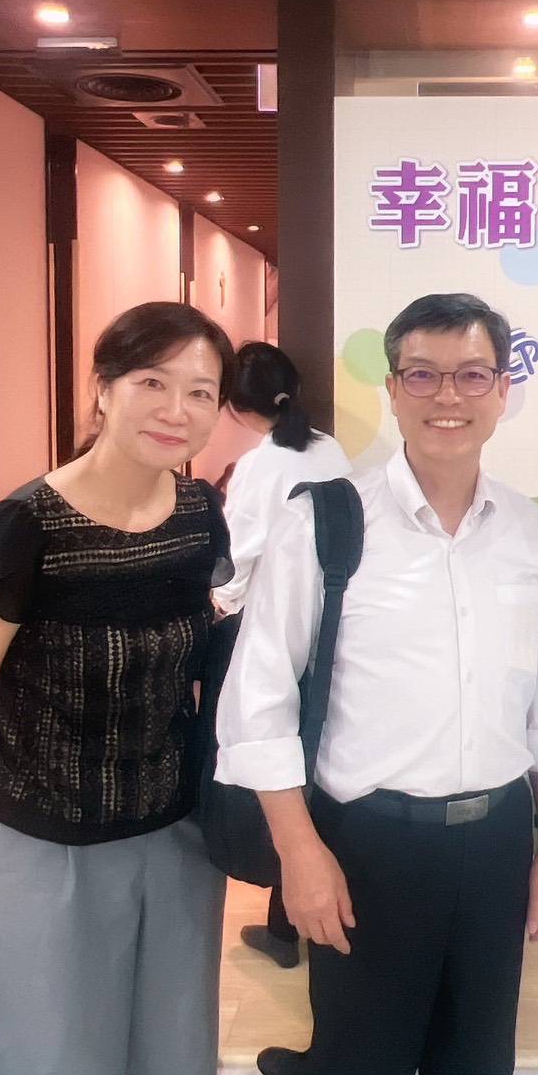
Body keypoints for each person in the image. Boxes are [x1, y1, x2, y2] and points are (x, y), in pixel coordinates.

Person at [216, 292, 538, 1075]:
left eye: (472, 374)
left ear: (503, 390)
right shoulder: (326, 519)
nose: (446, 395)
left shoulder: (530, 534)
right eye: (422, 374)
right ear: (392, 388)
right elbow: (257, 698)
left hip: (496, 842)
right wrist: (299, 851)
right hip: (367, 846)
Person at [0, 301, 237, 1075]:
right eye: (152, 382)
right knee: (46, 1057)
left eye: (200, 391)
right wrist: (20, 791)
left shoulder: (199, 513)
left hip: (174, 830)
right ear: (102, 387)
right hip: (43, 837)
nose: (175, 409)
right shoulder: (22, 525)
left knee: (172, 1055)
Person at [211, 340, 350, 968]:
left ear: (235, 407)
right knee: (313, 756)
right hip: (333, 628)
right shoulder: (330, 450)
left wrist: (219, 603)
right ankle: (292, 918)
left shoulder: (258, 465)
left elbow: (237, 557)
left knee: (264, 764)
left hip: (268, 627)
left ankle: (285, 916)